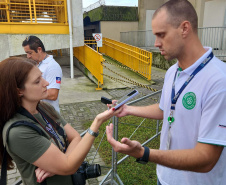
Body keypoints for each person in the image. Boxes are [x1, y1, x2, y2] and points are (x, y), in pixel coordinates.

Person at [106, 0, 226, 185]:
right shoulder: (173, 71)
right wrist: (128, 109)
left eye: (161, 35)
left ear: (184, 28)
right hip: (165, 178)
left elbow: (206, 159)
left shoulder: (219, 81)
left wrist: (143, 153)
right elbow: (166, 109)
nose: (156, 43)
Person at [0, 57, 117, 185]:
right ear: (19, 91)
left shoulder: (44, 108)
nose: (46, 83)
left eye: (42, 77)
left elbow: (76, 138)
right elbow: (68, 166)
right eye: (37, 81)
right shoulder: (18, 132)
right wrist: (96, 123)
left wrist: (58, 165)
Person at [22, 36, 62, 113]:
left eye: (30, 53)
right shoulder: (36, 64)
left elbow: (53, 94)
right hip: (38, 113)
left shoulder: (52, 66)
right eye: (27, 53)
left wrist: (26, 93)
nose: (28, 56)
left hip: (49, 115)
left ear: (39, 49)